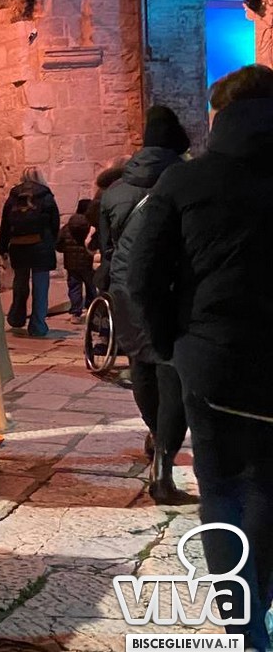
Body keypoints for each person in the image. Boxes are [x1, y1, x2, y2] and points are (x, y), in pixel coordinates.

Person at [128, 64, 273, 652]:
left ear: (220, 116)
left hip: (212, 362)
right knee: (267, 485)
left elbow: (140, 275)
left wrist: (172, 344)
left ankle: (248, 636)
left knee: (223, 490)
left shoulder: (187, 182)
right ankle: (261, 615)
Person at [100, 104, 194, 505]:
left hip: (127, 288)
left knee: (140, 363)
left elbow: (106, 249)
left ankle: (155, 433)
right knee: (173, 372)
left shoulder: (114, 191)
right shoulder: (188, 181)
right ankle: (164, 461)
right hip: (172, 288)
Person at [0, 167, 60, 337]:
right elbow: (55, 223)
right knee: (41, 287)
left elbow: (5, 224)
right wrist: (52, 242)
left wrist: (2, 247)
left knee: (20, 283)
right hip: (41, 245)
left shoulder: (14, 196)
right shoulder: (46, 196)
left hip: (18, 246)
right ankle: (38, 325)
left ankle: (17, 317)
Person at [55, 199, 95, 323]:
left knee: (74, 288)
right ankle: (92, 311)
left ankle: (76, 313)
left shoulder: (67, 227)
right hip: (88, 263)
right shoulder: (91, 227)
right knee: (91, 287)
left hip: (71, 264)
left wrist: (67, 251)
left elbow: (58, 244)